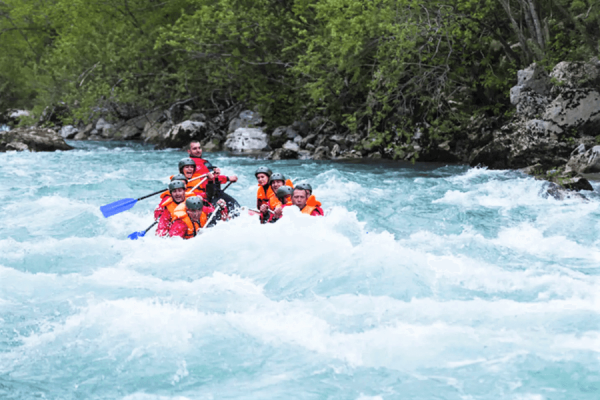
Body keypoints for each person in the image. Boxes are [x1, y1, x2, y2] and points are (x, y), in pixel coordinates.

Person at [187, 141, 240, 213]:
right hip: (206, 194)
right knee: (232, 207)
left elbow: (212, 177)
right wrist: (227, 178)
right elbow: (205, 179)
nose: (198, 150)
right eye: (195, 149)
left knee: (235, 206)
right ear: (189, 151)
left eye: (199, 148)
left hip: (213, 191)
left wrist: (217, 176)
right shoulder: (190, 165)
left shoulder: (203, 162)